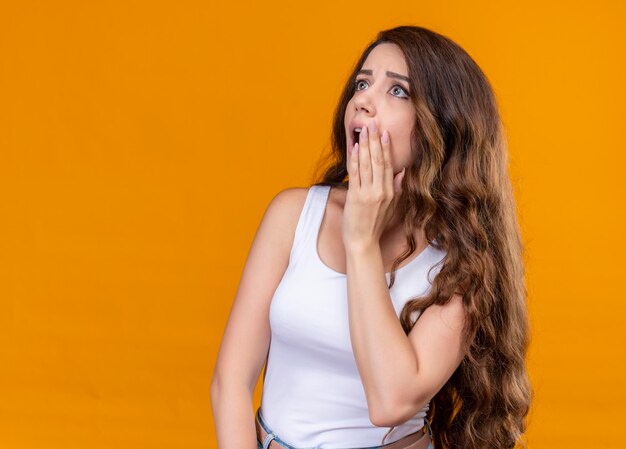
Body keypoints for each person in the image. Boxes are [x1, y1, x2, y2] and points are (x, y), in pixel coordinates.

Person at [210, 25, 532, 449]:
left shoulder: (464, 266)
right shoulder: (293, 215)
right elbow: (229, 381)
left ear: (443, 126)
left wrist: (361, 240)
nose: (362, 99)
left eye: (397, 91)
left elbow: (390, 401)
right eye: (362, 83)